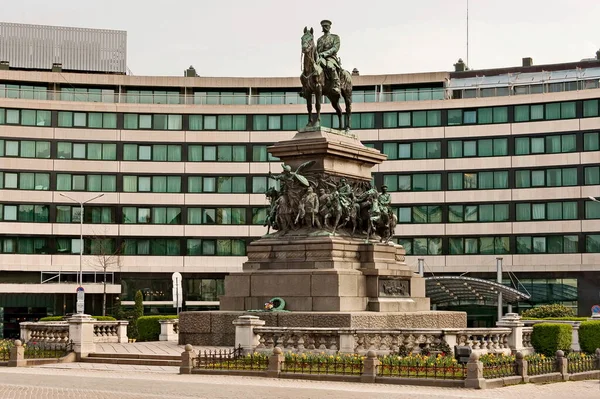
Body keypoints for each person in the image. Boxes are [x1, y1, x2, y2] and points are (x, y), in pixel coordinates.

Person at [316, 19, 342, 95]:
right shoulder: (319, 39)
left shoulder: (335, 37)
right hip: (321, 58)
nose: (325, 27)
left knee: (330, 66)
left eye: (326, 26)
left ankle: (336, 85)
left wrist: (325, 53)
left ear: (330, 27)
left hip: (331, 57)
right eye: (323, 26)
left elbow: (335, 48)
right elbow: (318, 50)